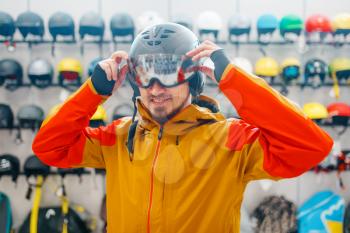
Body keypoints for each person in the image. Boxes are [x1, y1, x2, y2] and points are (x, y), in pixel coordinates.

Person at [32, 23, 333, 233]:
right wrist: (92, 91)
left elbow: (309, 146)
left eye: (167, 73)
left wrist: (232, 78)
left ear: (193, 77)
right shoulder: (120, 137)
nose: (154, 88)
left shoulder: (230, 139)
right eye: (145, 74)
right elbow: (49, 148)